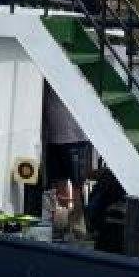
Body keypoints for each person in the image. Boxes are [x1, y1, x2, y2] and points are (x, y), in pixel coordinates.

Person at [41, 82, 92, 238]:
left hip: (75, 138)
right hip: (53, 138)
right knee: (59, 181)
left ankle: (77, 225)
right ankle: (63, 222)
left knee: (77, 183)